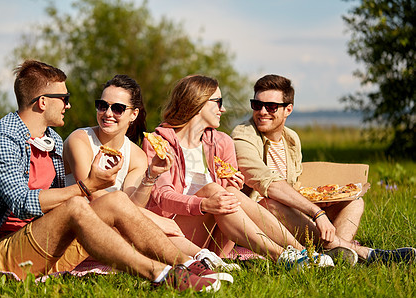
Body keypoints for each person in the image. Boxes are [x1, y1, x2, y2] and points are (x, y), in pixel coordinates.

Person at [0, 60, 224, 292]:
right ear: (43, 102)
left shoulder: (51, 140)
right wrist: (86, 186)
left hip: (43, 242)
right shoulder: (2, 140)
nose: (68, 104)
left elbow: (109, 204)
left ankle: (188, 265)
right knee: (77, 204)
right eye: (64, 98)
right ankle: (162, 275)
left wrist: (148, 179)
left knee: (117, 201)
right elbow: (22, 203)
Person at [143, 74, 334, 269]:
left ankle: (303, 252)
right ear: (197, 102)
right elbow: (162, 196)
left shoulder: (221, 142)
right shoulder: (159, 143)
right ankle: (281, 255)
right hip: (174, 235)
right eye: (218, 102)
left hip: (215, 239)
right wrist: (204, 203)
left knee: (229, 192)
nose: (223, 109)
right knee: (213, 190)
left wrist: (232, 184)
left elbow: (229, 198)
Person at [231, 74, 416, 264]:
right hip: (261, 218)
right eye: (257, 105)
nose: (262, 111)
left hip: (290, 215)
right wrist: (316, 212)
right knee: (270, 204)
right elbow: (267, 183)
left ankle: (334, 253)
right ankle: (360, 252)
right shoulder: (242, 136)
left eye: (271, 107)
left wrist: (321, 202)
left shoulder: (291, 138)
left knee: (355, 202)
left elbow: (293, 185)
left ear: (288, 110)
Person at [62, 74, 238, 272]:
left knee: (146, 225)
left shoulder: (136, 154)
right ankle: (198, 260)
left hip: (115, 230)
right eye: (102, 105)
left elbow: (132, 207)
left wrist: (150, 176)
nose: (108, 113)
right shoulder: (81, 139)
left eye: (117, 108)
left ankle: (200, 260)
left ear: (134, 114)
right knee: (151, 225)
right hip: (78, 229)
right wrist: (154, 219)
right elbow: (94, 195)